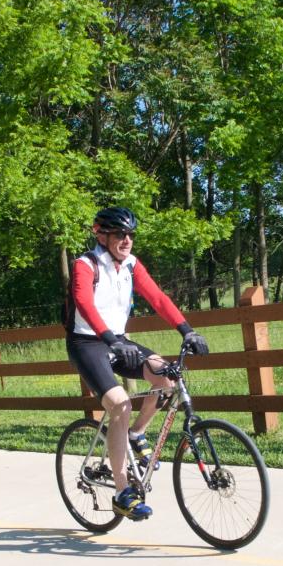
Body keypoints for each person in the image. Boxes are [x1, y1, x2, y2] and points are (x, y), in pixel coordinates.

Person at [65, 206, 209, 520]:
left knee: (166, 377)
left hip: (118, 340)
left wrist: (187, 330)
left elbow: (157, 298)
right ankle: (121, 492)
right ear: (101, 236)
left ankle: (136, 433)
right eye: (119, 234)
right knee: (120, 404)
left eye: (130, 234)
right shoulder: (85, 264)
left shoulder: (130, 264)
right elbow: (84, 303)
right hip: (87, 342)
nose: (127, 240)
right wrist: (109, 339)